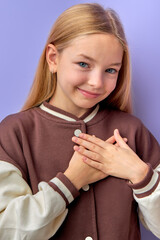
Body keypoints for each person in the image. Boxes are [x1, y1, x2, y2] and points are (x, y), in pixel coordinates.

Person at [0, 3, 159, 240]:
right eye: (84, 64)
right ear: (53, 59)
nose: (97, 82)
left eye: (111, 70)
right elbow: (6, 229)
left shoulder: (132, 131)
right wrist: (71, 181)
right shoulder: (15, 133)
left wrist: (140, 175)